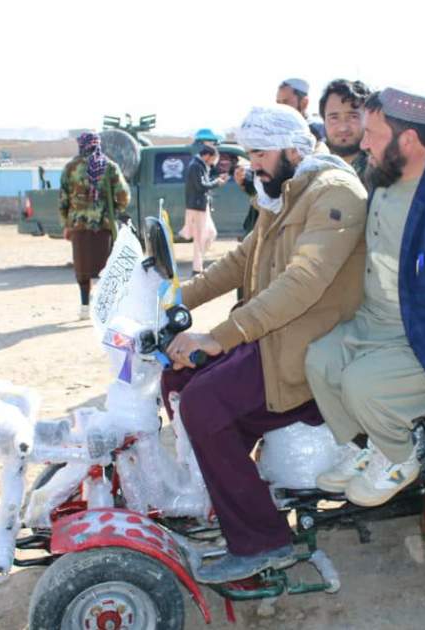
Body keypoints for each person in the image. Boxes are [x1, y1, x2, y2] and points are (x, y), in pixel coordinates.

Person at [161, 104, 367, 583]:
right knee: (177, 377)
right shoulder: (283, 195)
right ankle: (234, 501)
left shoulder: (333, 194)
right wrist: (172, 300)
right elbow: (238, 262)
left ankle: (264, 542)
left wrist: (218, 337)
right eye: (249, 153)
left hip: (309, 345)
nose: (250, 164)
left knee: (203, 402)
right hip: (276, 336)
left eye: (259, 153)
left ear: (293, 149)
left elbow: (304, 281)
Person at [306, 88, 425, 506]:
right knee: (319, 360)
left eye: (373, 133)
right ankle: (365, 449)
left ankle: (400, 457)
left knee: (361, 386)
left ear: (407, 140)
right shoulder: (382, 177)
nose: (363, 142)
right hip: (372, 321)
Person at [59, 132, 130, 320]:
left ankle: (84, 307)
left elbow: (63, 200)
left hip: (79, 227)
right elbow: (124, 195)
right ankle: (106, 309)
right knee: (105, 268)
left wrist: (66, 224)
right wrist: (113, 210)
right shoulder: (109, 166)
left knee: (82, 269)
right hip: (103, 226)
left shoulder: (70, 168)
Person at [183, 144, 228, 275]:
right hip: (197, 207)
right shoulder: (196, 166)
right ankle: (197, 269)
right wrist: (217, 183)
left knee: (209, 234)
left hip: (200, 206)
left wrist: (216, 179)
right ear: (207, 156)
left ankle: (198, 266)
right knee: (200, 238)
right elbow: (201, 185)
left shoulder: (199, 165)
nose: (214, 163)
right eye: (213, 159)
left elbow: (203, 182)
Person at [318, 79, 372, 181]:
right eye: (334, 118)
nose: (343, 128)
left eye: (353, 117)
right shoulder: (311, 166)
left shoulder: (382, 170)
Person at [276, 78, 328, 146]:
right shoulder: (276, 130)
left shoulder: (318, 129)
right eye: (278, 103)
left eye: (286, 102)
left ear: (304, 103)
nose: (280, 107)